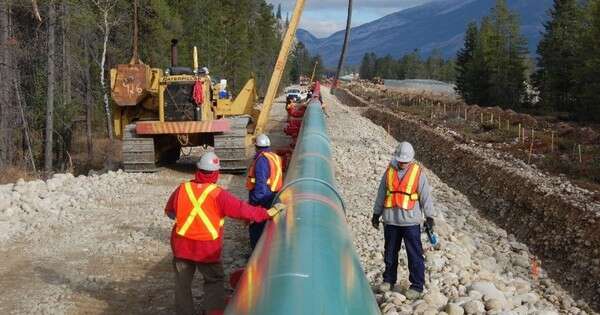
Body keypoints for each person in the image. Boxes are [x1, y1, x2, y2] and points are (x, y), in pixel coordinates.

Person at [165, 151, 286, 315]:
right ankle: (213, 312)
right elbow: (243, 210)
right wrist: (267, 213)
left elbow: (171, 212)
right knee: (213, 280)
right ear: (216, 173)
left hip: (182, 246)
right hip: (206, 250)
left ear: (198, 170)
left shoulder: (183, 189)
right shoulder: (218, 195)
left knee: (182, 284)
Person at [371, 141, 437, 300]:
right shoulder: (389, 172)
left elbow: (425, 196)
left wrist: (430, 217)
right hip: (391, 221)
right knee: (390, 253)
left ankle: (417, 286)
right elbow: (382, 193)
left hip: (411, 223)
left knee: (414, 254)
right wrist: (376, 214)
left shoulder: (417, 173)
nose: (402, 164)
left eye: (405, 162)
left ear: (411, 160)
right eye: (400, 161)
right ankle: (388, 279)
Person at [246, 134, 283, 250]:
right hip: (272, 195)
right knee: (265, 226)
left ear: (256, 147)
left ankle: (255, 254)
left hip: (262, 198)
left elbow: (260, 184)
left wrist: (253, 203)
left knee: (256, 227)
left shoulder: (261, 160)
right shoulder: (274, 157)